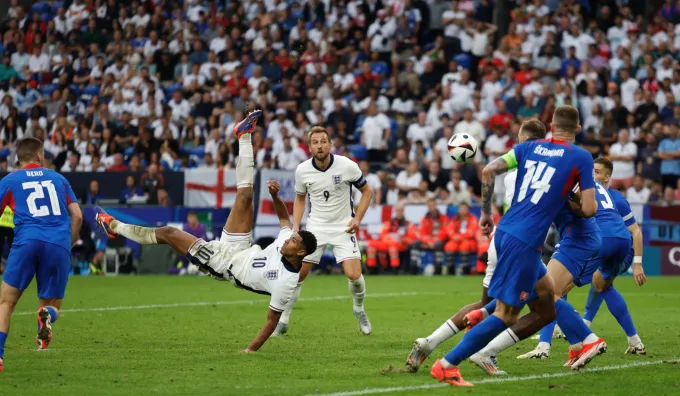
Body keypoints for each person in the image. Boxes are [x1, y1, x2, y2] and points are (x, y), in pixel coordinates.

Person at [94, 111, 318, 352]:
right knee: (244, 196)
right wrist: (274, 196)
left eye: (293, 241)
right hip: (240, 248)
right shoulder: (287, 241)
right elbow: (284, 218)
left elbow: (271, 321)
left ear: (301, 251)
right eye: (291, 237)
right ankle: (244, 135)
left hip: (224, 264)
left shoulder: (287, 282)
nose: (288, 240)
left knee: (169, 233)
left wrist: (250, 350)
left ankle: (114, 226)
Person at [428, 106, 599, 387]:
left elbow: (488, 169)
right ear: (578, 129)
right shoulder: (580, 156)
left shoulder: (528, 147)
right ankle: (447, 364)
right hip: (525, 240)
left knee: (547, 306)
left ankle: (481, 314)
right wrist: (574, 201)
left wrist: (485, 213)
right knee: (507, 315)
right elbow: (591, 209)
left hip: (507, 230)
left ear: (551, 125)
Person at [405, 118, 546, 373]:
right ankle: (477, 355)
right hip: (521, 245)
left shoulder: (514, 172)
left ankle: (429, 342)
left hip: (502, 240)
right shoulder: (541, 174)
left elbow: (492, 173)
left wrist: (486, 213)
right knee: (535, 308)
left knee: (491, 305)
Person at [519, 157, 647, 359]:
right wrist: (637, 263)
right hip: (621, 241)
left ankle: (550, 345)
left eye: (598, 171)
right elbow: (633, 231)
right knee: (602, 286)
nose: (594, 174)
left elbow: (583, 210)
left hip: (596, 237)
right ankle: (634, 340)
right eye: (593, 170)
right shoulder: (613, 196)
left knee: (552, 290)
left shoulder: (577, 185)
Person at [272, 126, 374, 337]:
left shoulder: (347, 165)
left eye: (323, 141)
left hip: (344, 226)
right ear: (310, 147)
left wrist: (358, 219)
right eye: (315, 142)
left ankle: (359, 309)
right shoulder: (302, 170)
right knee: (298, 275)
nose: (319, 145)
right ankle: (282, 320)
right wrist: (296, 226)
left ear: (329, 144)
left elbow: (367, 191)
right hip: (316, 227)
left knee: (354, 275)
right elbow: (300, 198)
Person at [0, 137, 83, 371]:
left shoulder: (9, 181)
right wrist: (69, 242)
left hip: (26, 241)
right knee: (50, 303)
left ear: (18, 157)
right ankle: (46, 317)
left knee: (6, 302)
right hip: (57, 243)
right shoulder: (59, 178)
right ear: (39, 155)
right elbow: (77, 216)